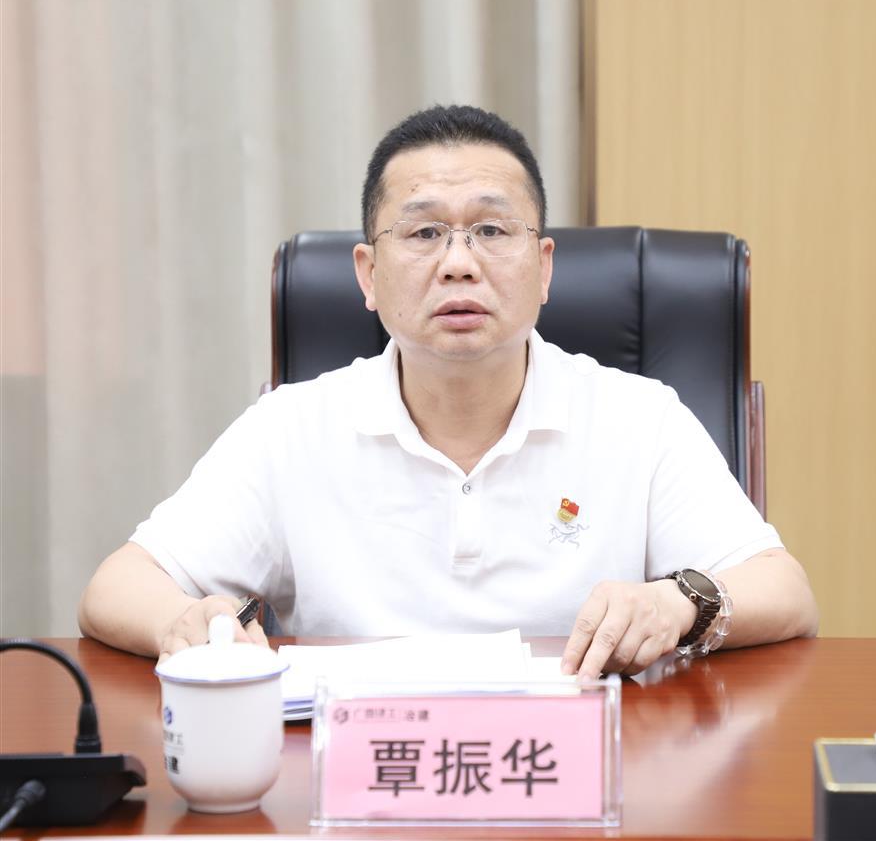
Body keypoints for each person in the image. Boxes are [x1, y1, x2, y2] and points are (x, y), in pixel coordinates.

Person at [78, 105, 818, 678]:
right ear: (368, 274)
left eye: (492, 230)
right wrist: (182, 622)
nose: (459, 262)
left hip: (573, 772)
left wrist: (678, 601)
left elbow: (783, 591)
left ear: (544, 266)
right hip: (362, 780)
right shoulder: (292, 427)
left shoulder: (638, 417)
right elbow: (117, 587)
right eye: (423, 233)